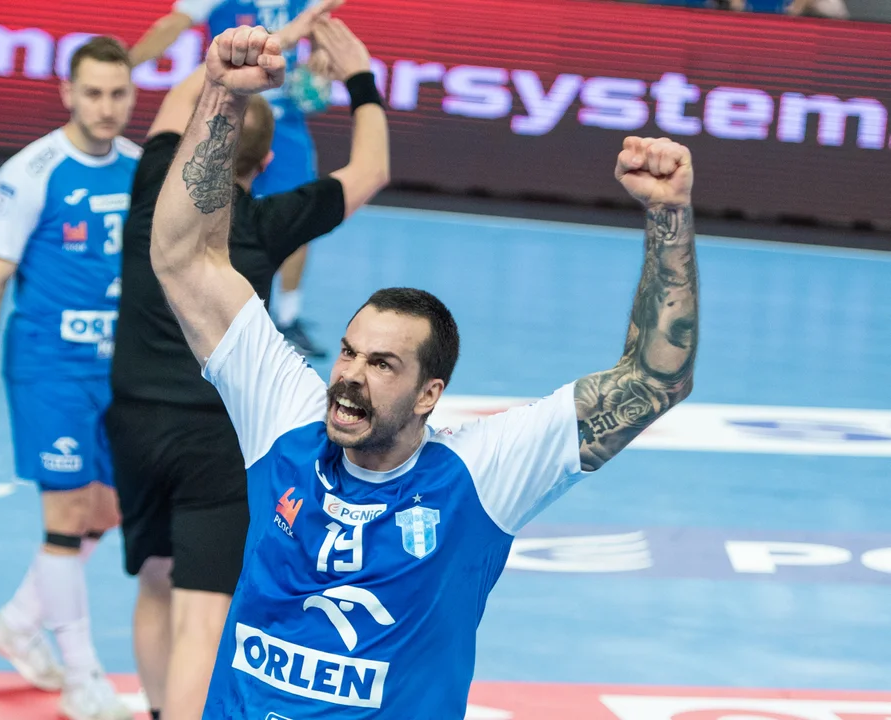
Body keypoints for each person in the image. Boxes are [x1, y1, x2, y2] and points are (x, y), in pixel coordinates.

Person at [149, 26, 700, 719]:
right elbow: (184, 260)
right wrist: (222, 95)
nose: (350, 376)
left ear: (428, 394)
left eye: (382, 364)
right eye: (348, 352)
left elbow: (653, 380)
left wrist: (668, 217)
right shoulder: (287, 422)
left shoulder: (481, 476)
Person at [106, 10, 387, 720]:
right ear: (263, 166)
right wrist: (358, 77)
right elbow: (372, 170)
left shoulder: (150, 189)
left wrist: (240, 64)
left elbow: (184, 100)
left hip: (134, 423)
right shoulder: (267, 222)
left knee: (154, 581)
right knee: (203, 614)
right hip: (216, 440)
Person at [0, 35, 139, 720]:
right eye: (92, 93)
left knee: (109, 509)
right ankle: (83, 677)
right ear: (67, 93)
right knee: (64, 517)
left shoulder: (140, 168)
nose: (106, 107)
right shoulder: (31, 172)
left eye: (117, 93)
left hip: (118, 371)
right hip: (49, 368)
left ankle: (18, 621)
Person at [130, 0, 337, 358]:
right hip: (231, 113)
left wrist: (320, 54)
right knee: (212, 212)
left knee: (300, 217)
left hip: (286, 124)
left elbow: (322, 20)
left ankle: (287, 318)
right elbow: (171, 26)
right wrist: (127, 67)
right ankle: (208, 309)